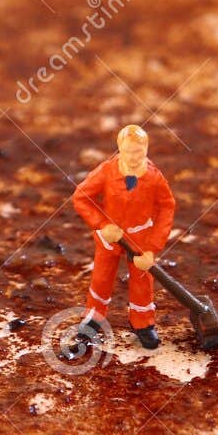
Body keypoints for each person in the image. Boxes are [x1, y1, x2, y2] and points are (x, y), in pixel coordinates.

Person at [72, 124, 176, 350]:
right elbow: (81, 197)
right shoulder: (107, 171)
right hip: (109, 238)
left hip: (140, 238)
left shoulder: (155, 177)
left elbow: (167, 207)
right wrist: (102, 224)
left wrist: (152, 248)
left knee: (142, 281)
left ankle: (143, 323)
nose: (133, 157)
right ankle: (93, 319)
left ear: (146, 149)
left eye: (138, 152)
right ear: (119, 149)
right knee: (101, 278)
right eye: (128, 151)